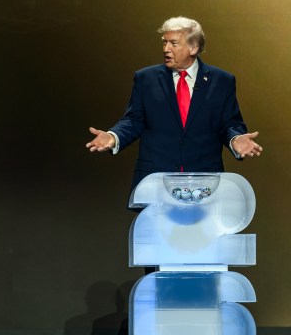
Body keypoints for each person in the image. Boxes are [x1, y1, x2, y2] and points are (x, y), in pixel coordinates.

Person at [86, 16, 263, 198]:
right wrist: (114, 136)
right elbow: (133, 120)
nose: (166, 49)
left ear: (193, 48)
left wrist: (236, 139)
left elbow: (229, 123)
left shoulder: (222, 81)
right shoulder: (146, 79)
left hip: (203, 182)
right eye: (164, 42)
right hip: (156, 181)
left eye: (174, 43)